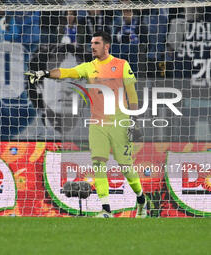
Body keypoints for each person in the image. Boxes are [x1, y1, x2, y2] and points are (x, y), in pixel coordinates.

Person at [25, 31, 146, 218]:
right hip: (97, 124)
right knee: (98, 165)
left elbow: (132, 93)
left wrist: (134, 121)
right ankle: (106, 210)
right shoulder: (89, 67)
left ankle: (141, 199)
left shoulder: (121, 65)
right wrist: (45, 73)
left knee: (125, 166)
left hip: (118, 123)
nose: (92, 46)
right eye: (91, 43)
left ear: (106, 46)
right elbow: (66, 72)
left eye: (96, 43)